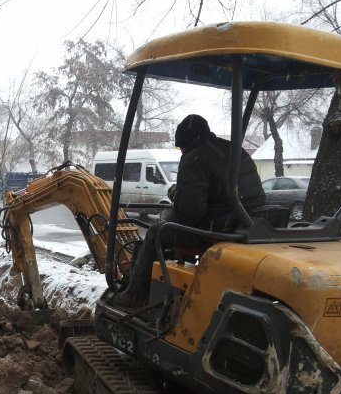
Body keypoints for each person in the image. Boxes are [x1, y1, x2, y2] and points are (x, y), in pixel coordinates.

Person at [113, 114, 265, 308]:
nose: (181, 151)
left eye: (179, 147)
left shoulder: (194, 158)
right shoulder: (234, 150)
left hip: (217, 232)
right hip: (246, 225)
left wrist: (177, 196)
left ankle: (135, 294)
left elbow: (190, 213)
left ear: (185, 141)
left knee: (155, 233)